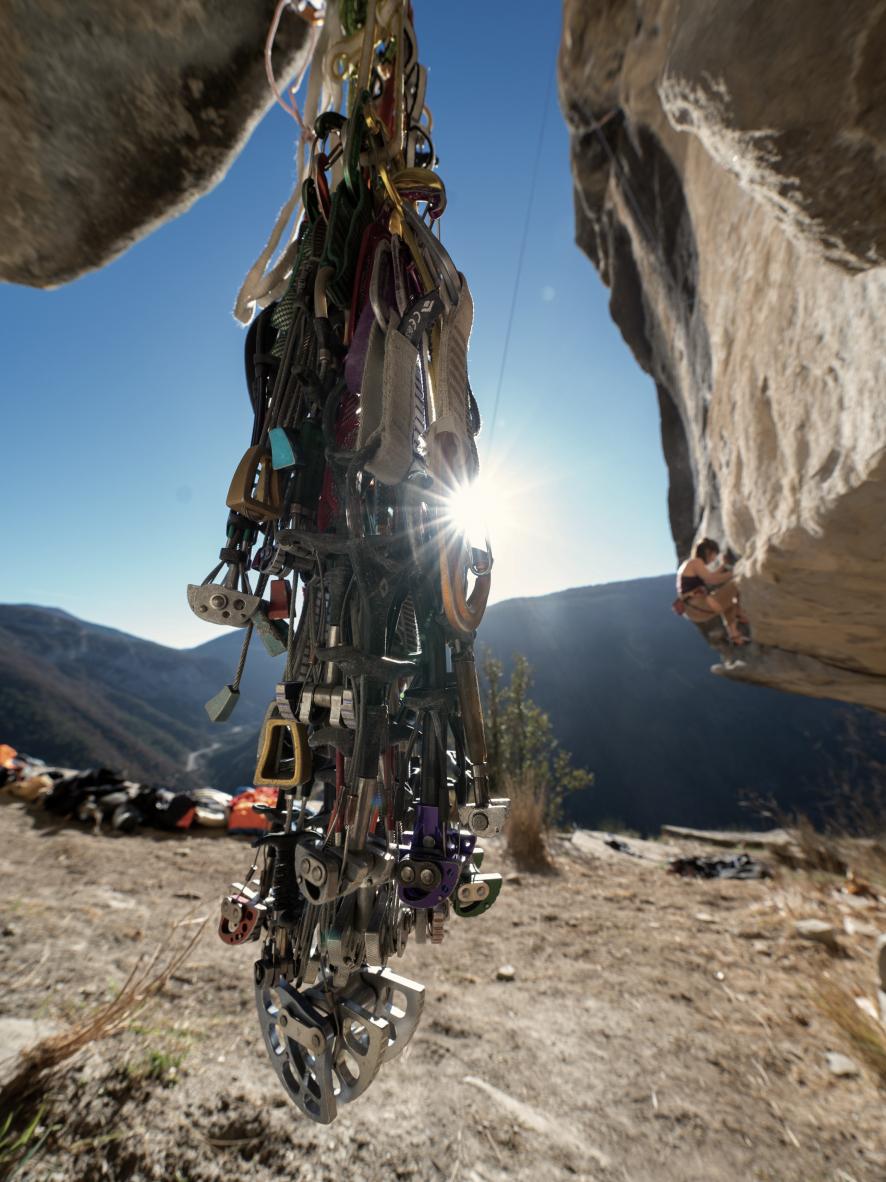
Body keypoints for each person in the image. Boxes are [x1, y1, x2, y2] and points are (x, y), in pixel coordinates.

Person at [676, 538, 748, 646]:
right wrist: (736, 571)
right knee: (737, 582)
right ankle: (740, 613)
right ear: (708, 551)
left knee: (729, 605)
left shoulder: (689, 565)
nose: (714, 559)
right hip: (699, 605)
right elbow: (711, 579)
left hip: (695, 610)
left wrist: (723, 566)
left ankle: (735, 636)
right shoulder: (695, 562)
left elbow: (710, 577)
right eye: (715, 554)